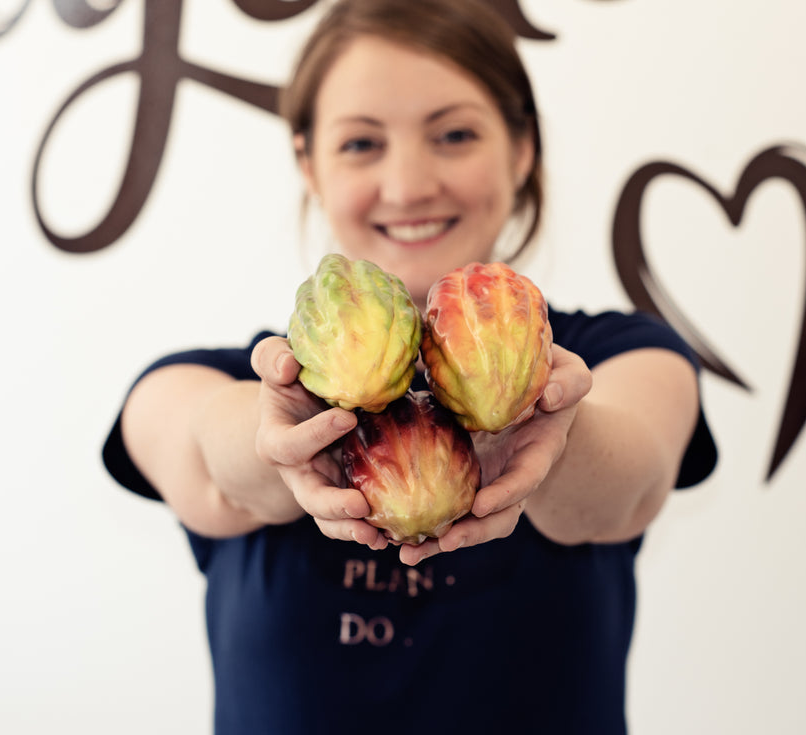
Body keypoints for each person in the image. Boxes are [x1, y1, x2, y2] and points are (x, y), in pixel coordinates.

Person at [102, 0, 717, 732]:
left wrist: (543, 418)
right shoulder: (215, 378)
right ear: (309, 163)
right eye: (362, 144)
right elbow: (209, 458)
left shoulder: (620, 355)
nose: (409, 185)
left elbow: (631, 484)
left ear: (522, 148)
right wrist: (281, 435)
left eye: (454, 134)